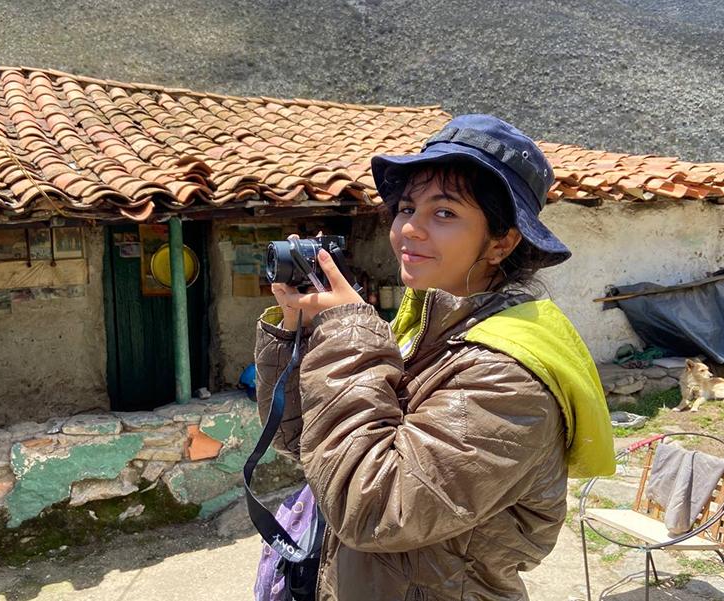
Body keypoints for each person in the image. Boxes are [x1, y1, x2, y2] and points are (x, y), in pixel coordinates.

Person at [254, 114, 615, 601]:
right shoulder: (423, 331)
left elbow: (374, 508)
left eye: (444, 213)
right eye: (407, 208)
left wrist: (347, 331)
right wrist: (298, 329)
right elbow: (299, 441)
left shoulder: (509, 377)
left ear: (502, 242)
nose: (410, 230)